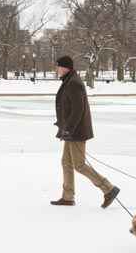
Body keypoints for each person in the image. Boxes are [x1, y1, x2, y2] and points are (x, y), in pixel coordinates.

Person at [50, 55, 120, 208]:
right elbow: (68, 107)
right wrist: (63, 125)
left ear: (65, 67)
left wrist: (68, 129)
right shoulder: (69, 80)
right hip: (70, 130)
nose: (57, 69)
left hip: (76, 132)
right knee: (66, 162)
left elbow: (78, 110)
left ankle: (108, 188)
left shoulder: (74, 83)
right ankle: (68, 197)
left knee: (79, 165)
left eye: (58, 66)